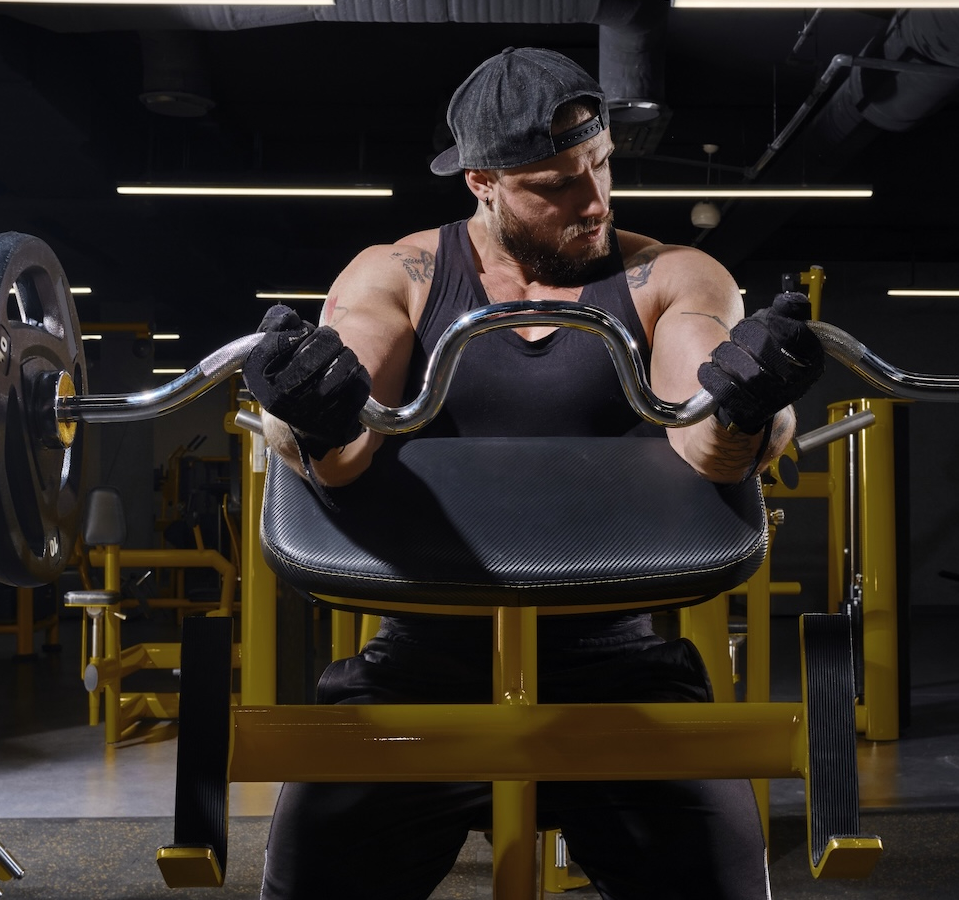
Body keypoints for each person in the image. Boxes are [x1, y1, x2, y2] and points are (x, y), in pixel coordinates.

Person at [244, 46, 825, 900]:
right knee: (310, 876)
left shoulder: (669, 275)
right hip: (422, 672)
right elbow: (344, 441)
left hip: (621, 671)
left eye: (600, 167)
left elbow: (704, 436)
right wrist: (307, 411)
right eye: (555, 185)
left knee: (721, 879)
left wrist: (749, 404)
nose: (592, 201)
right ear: (481, 180)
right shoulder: (400, 275)